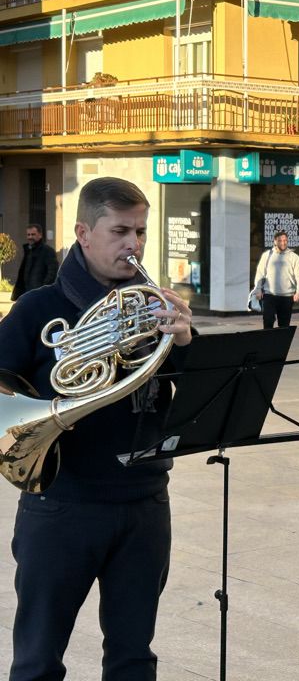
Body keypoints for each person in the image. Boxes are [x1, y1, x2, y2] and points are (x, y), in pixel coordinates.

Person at [0, 177, 193, 680]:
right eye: (120, 231)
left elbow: (192, 403)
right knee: (38, 660)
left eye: (142, 233)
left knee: (133, 659)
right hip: (63, 503)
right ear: (84, 233)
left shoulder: (155, 312)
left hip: (145, 502)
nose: (134, 245)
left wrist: (188, 344)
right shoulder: (38, 309)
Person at [254, 230, 299, 329]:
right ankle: (268, 343)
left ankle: (281, 343)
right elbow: (260, 273)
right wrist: (258, 289)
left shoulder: (294, 257)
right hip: (270, 295)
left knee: (284, 325)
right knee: (268, 321)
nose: (283, 242)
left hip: (287, 297)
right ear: (275, 241)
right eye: (280, 240)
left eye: (285, 240)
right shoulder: (267, 255)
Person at [11, 222, 58, 300]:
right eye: (28, 235)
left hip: (39, 295)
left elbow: (52, 273)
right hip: (27, 294)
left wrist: (42, 290)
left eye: (33, 234)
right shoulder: (28, 251)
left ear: (40, 235)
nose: (30, 237)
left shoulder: (48, 251)